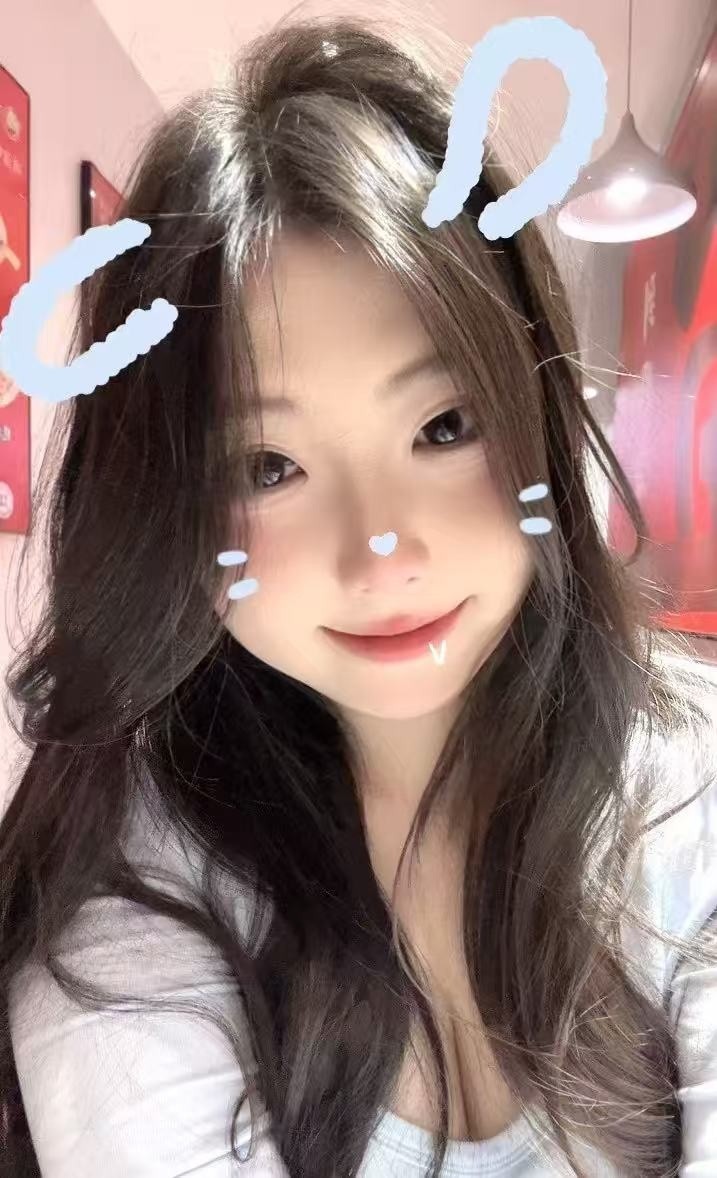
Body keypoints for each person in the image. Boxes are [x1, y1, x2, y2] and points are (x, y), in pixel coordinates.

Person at [1, 10, 717, 1178]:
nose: (381, 554)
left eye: (446, 425)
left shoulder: (687, 786)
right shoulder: (132, 893)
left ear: (536, 408)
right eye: (266, 467)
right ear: (169, 506)